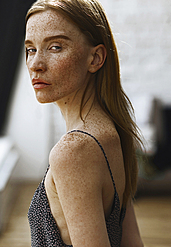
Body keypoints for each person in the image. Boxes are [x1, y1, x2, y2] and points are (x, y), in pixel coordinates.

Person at [25, 0, 144, 246]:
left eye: (55, 47)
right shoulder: (112, 131)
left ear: (95, 58)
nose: (36, 64)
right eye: (31, 49)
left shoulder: (74, 151)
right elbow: (133, 242)